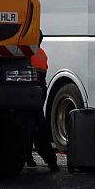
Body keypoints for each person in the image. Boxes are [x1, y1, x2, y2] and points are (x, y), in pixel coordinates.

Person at [28, 39, 59, 172]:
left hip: (30, 89)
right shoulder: (42, 53)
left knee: (31, 123)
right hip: (40, 90)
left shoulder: (27, 53)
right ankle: (50, 161)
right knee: (38, 124)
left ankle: (29, 156)